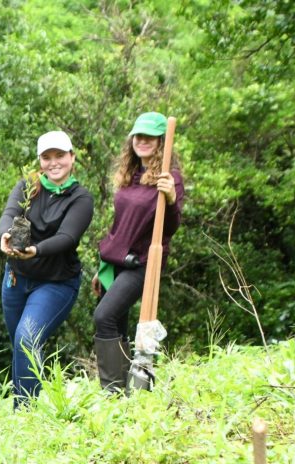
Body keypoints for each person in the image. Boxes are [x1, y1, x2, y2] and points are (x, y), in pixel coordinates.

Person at [0, 131, 94, 406]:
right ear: (40, 160)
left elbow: (67, 238)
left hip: (56, 282)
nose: (54, 162)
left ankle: (25, 412)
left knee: (27, 339)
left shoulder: (80, 198)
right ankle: (26, 410)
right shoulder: (29, 185)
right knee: (21, 346)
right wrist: (6, 235)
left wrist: (35, 250)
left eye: (60, 155)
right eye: (47, 157)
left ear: (72, 158)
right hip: (16, 278)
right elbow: (9, 215)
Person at [91, 112, 184, 393]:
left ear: (160, 141)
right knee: (116, 323)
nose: (142, 141)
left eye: (149, 137)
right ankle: (124, 392)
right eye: (138, 136)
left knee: (103, 317)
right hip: (117, 261)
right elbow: (120, 226)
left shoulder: (169, 179)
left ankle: (111, 391)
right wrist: (103, 265)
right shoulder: (129, 176)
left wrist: (171, 199)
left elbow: (169, 227)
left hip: (144, 262)